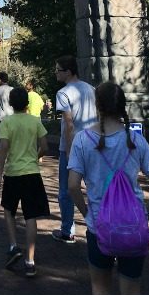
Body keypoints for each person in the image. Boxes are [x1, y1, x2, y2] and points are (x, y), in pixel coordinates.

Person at [67, 81, 149, 295]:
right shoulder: (136, 139)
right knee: (131, 292)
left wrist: (87, 213)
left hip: (98, 227)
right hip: (133, 228)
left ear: (97, 106)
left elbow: (73, 185)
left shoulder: (82, 140)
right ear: (122, 106)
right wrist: (146, 215)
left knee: (100, 287)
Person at [0, 85, 49, 278]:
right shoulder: (35, 122)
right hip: (32, 173)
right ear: (27, 103)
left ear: (11, 103)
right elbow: (45, 146)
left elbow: (3, 148)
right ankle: (30, 261)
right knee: (30, 216)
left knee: (9, 210)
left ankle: (13, 246)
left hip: (13, 173)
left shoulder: (7, 122)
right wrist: (35, 156)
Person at [52, 56, 96, 244]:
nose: (56, 73)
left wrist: (69, 151)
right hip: (94, 144)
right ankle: (100, 228)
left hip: (73, 146)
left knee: (67, 189)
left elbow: (69, 124)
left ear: (68, 72)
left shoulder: (63, 93)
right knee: (95, 187)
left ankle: (67, 230)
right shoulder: (91, 89)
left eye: (58, 70)